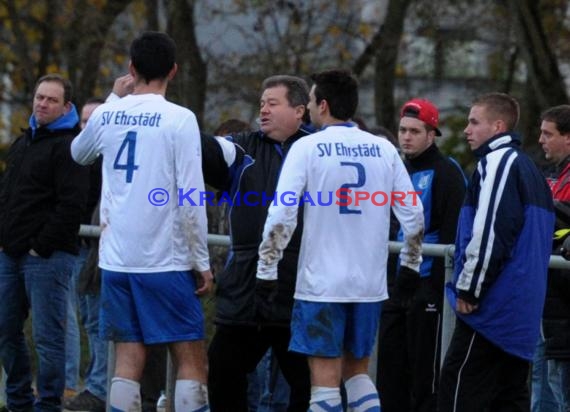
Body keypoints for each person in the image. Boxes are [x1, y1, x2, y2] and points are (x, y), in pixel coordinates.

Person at [257, 69, 425, 412]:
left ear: (322, 104)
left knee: (324, 382)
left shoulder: (307, 147)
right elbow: (413, 213)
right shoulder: (384, 148)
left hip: (322, 283)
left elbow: (281, 214)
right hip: (368, 283)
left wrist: (266, 269)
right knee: (358, 372)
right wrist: (410, 263)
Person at [71, 31, 213, 412]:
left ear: (131, 69)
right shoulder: (180, 119)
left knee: (128, 357)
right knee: (190, 356)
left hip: (116, 260)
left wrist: (115, 97)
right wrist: (201, 260)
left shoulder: (109, 112)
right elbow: (191, 196)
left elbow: (79, 152)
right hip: (163, 259)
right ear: (174, 70)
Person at [201, 75, 313, 412]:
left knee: (309, 384)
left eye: (272, 103)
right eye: (261, 103)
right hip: (246, 289)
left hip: (299, 288)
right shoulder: (242, 148)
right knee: (222, 372)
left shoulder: (318, 150)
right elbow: (203, 147)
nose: (263, 110)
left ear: (299, 110)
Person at [438, 92, 555, 411]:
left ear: (498, 126)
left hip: (493, 309)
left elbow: (492, 231)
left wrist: (470, 289)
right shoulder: (529, 168)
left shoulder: (499, 161)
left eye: (474, 122)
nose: (466, 130)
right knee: (508, 398)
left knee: (457, 388)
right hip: (520, 312)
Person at [0, 73, 89, 412]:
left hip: (47, 257)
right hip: (10, 255)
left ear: (66, 106)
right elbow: (8, 194)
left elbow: (72, 205)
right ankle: (19, 400)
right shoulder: (23, 143)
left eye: (51, 99)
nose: (42, 104)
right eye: (39, 97)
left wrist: (41, 245)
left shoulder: (72, 147)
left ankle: (48, 404)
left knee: (48, 339)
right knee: (6, 331)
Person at [377, 98, 465, 412]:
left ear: (432, 134)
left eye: (415, 131)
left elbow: (454, 234)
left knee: (423, 377)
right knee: (388, 373)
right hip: (393, 286)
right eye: (402, 130)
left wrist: (438, 290)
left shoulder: (447, 172)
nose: (406, 137)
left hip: (427, 285)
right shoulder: (393, 169)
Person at [64, 97, 107, 412]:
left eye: (95, 121)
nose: (88, 127)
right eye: (83, 121)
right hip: (77, 247)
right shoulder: (75, 157)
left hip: (102, 252)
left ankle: (100, 386)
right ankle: (94, 383)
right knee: (88, 320)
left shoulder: (110, 161)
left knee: (99, 321)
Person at [536, 105, 570, 411]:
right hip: (546, 299)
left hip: (561, 300)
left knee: (559, 391)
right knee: (542, 383)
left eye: (548, 133)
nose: (541, 140)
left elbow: (557, 226)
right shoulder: (551, 174)